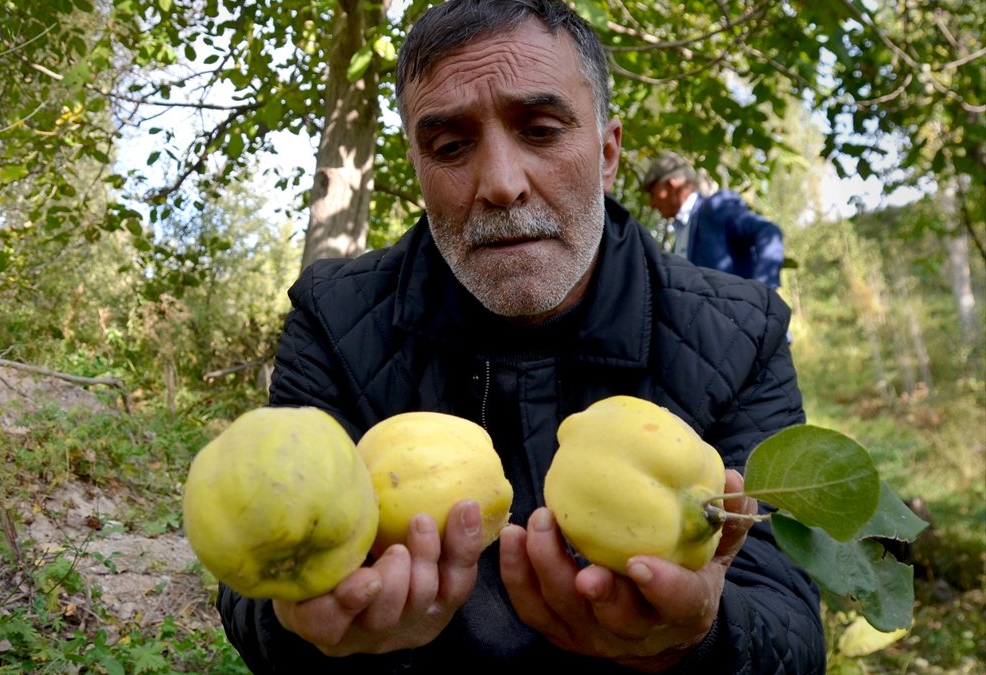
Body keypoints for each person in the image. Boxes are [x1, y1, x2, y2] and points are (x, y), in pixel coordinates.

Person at [218, 0, 825, 672]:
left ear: (608, 153)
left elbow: (789, 624)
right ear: (419, 171)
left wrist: (699, 636)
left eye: (539, 130)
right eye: (450, 147)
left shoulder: (741, 333)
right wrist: (314, 632)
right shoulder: (335, 319)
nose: (501, 185)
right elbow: (252, 592)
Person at [641, 152, 786, 289]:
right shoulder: (681, 233)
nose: (651, 204)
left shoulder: (715, 208)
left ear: (671, 186)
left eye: (653, 194)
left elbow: (768, 232)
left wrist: (762, 295)